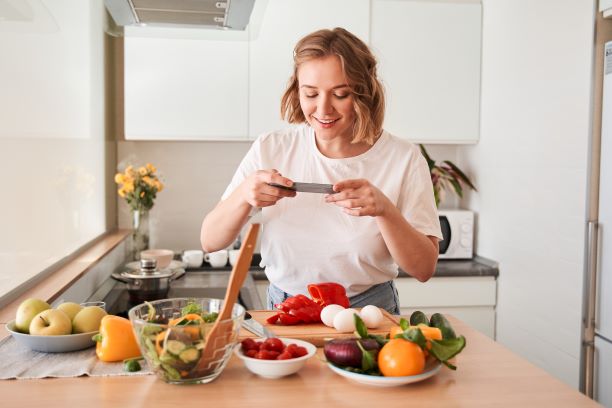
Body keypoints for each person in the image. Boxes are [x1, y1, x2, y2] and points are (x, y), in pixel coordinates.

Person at [201, 27, 442, 315]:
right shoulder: (271, 148)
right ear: (296, 91)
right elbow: (210, 241)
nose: (323, 109)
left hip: (369, 312)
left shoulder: (403, 158)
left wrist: (385, 211)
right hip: (285, 307)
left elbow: (424, 268)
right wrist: (245, 194)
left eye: (340, 94)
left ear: (364, 93)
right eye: (311, 94)